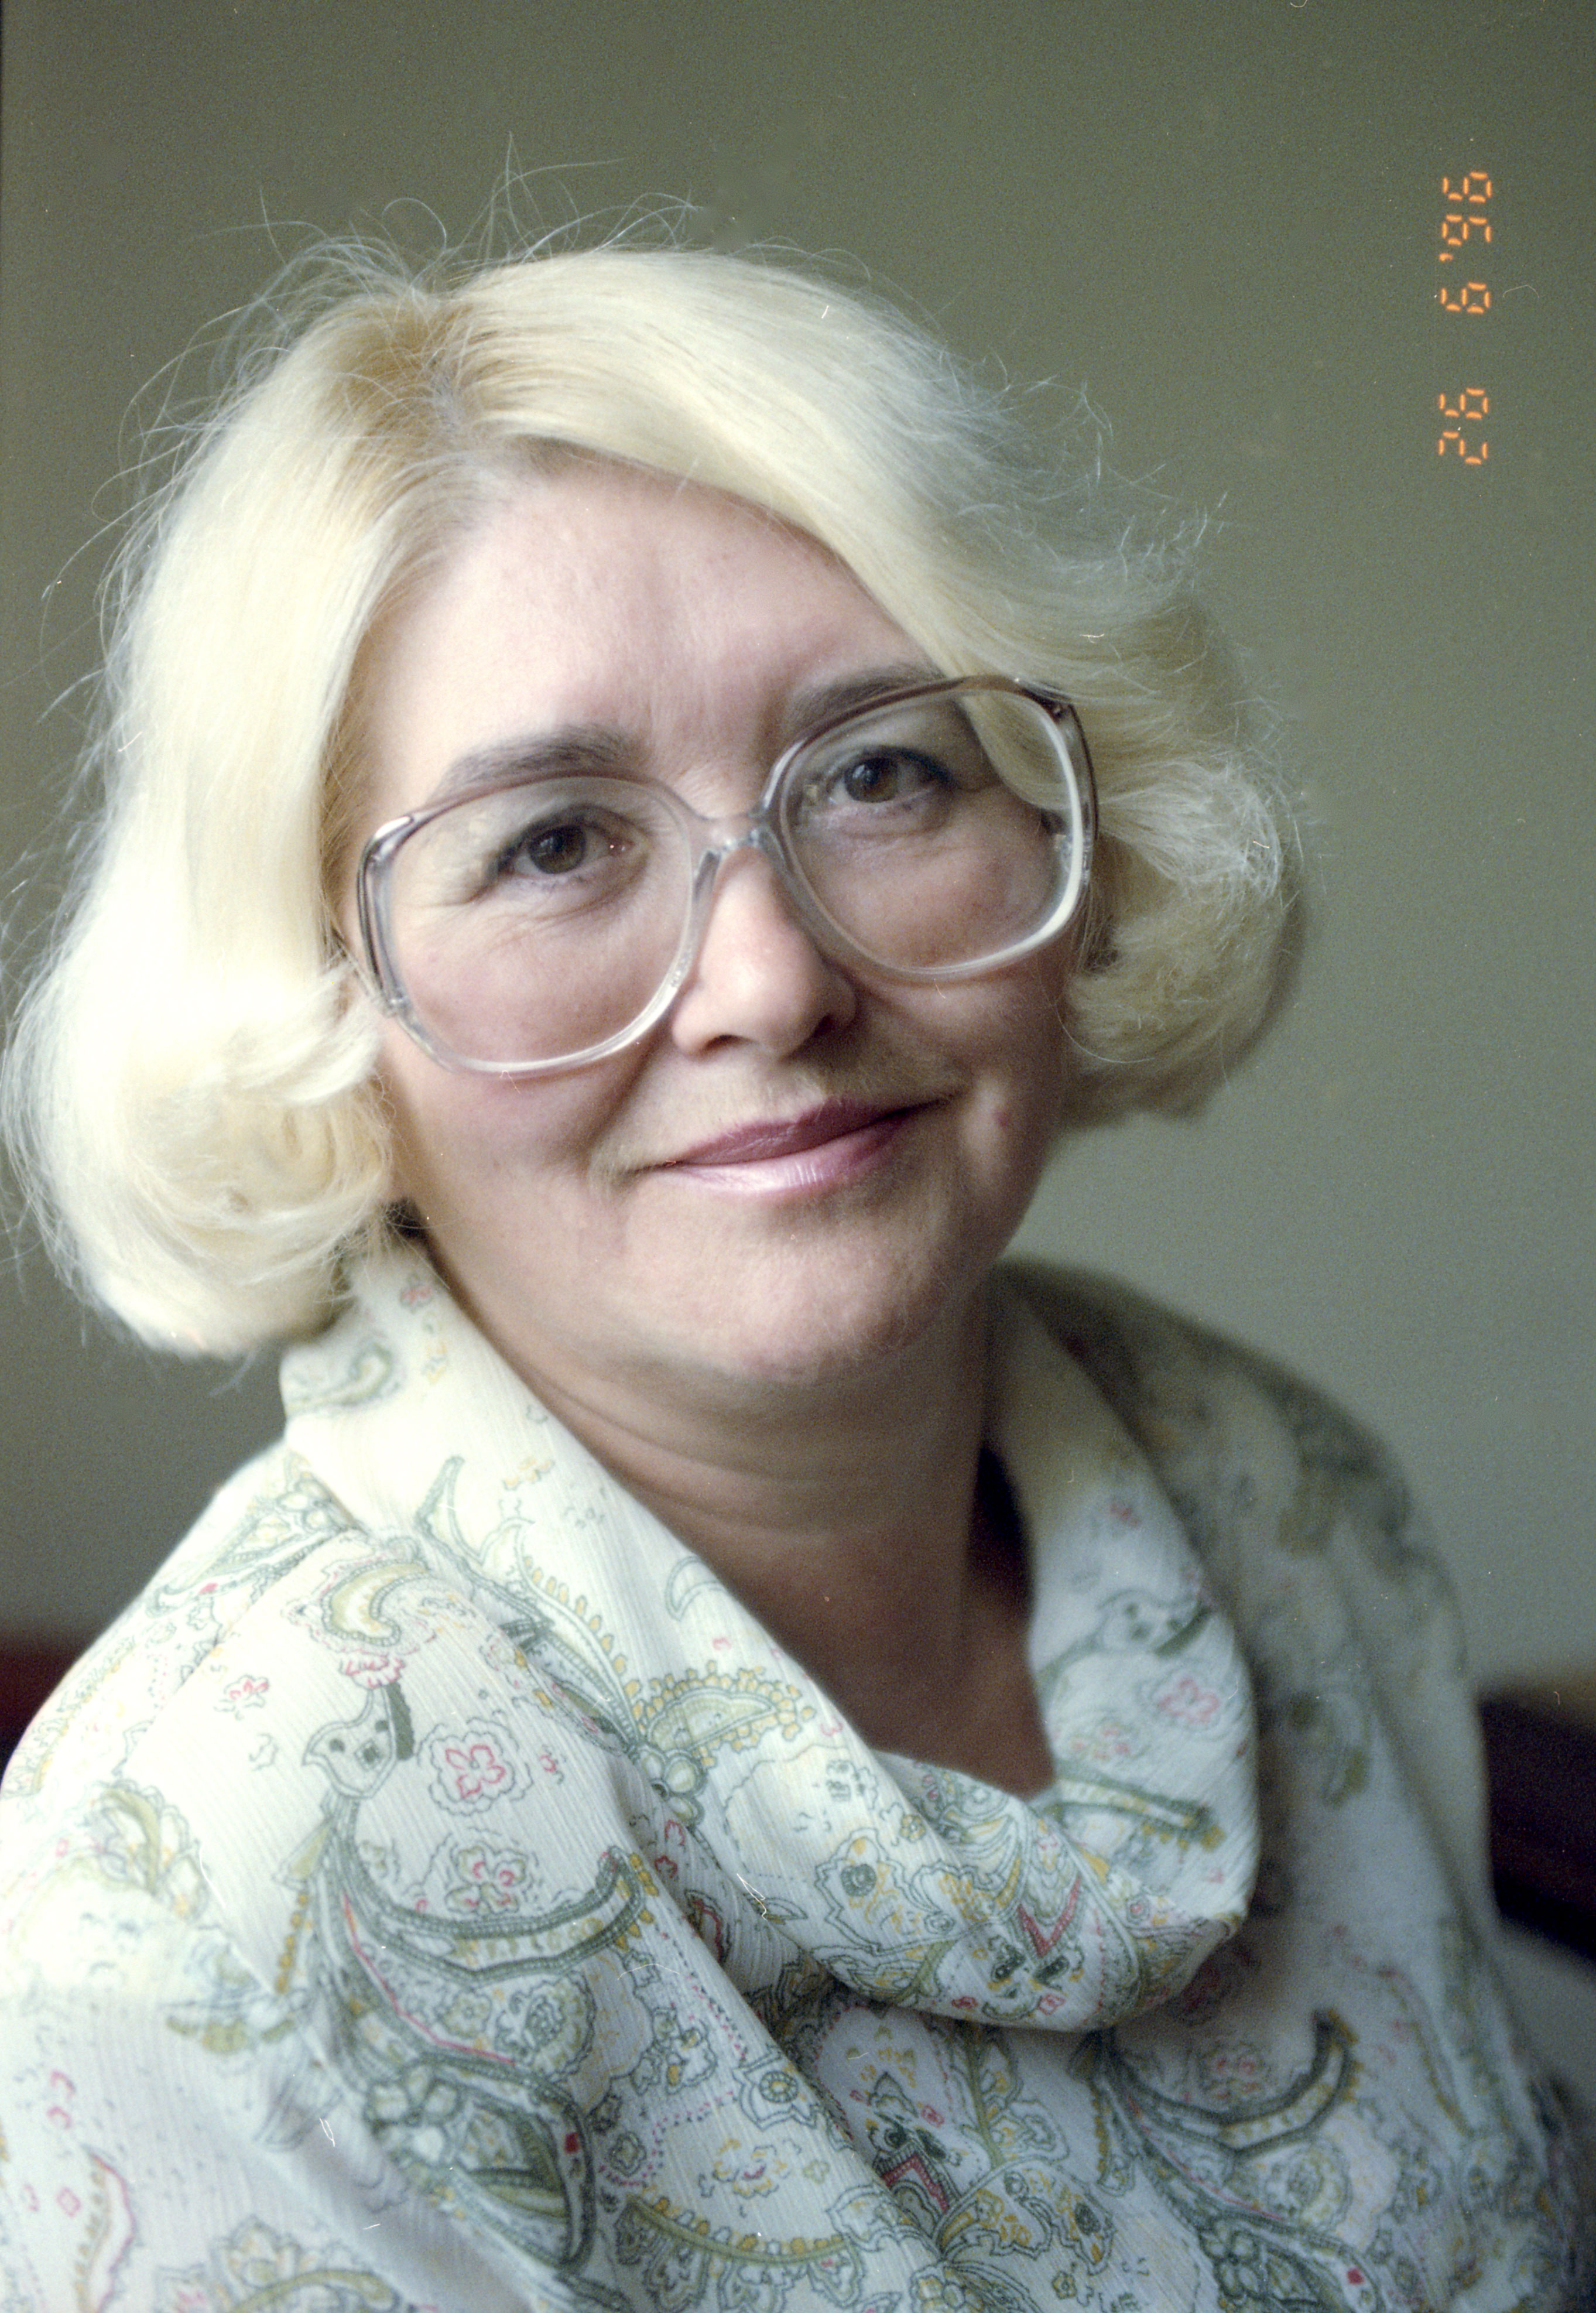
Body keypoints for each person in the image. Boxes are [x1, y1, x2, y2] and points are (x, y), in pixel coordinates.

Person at [0, 235, 1588, 2313]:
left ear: (1070, 833)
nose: (770, 981)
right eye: (552, 842)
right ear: (314, 1005)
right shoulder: (208, 1898)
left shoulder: (1280, 1495)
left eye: (878, 773)